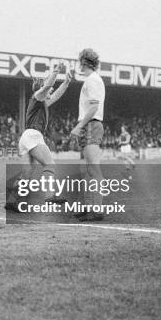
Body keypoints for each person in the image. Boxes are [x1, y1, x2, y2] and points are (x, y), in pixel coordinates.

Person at [6, 65, 71, 211]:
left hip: (27, 138)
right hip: (33, 136)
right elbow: (48, 86)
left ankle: (11, 201)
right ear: (43, 89)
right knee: (50, 164)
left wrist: (66, 83)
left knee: (27, 173)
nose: (51, 91)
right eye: (49, 90)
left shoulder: (42, 102)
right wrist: (56, 71)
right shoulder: (37, 97)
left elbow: (56, 94)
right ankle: (49, 196)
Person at [70, 48, 106, 222]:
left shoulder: (92, 80)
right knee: (86, 170)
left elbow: (93, 108)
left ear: (84, 62)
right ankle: (88, 206)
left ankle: (96, 210)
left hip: (91, 125)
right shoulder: (93, 80)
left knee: (93, 169)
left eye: (80, 61)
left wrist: (79, 126)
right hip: (89, 125)